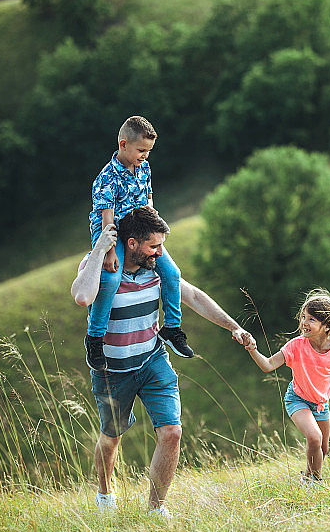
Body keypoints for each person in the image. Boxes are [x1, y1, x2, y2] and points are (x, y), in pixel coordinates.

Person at [71, 206, 255, 516]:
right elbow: (81, 295)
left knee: (172, 432)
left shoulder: (156, 269)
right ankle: (105, 496)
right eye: (154, 246)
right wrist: (100, 249)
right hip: (112, 371)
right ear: (132, 244)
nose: (160, 252)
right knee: (111, 439)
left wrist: (233, 326)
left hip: (153, 361)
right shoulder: (100, 266)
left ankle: (156, 509)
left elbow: (193, 296)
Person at [85, 115, 193, 374]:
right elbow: (107, 219)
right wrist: (109, 252)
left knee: (172, 273)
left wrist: (154, 235)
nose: (145, 155)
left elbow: (149, 203)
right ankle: (95, 338)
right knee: (111, 280)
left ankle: (172, 329)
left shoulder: (144, 167)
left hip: (141, 228)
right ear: (123, 145)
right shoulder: (107, 177)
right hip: (112, 232)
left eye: (149, 151)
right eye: (141, 150)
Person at [244, 289, 330, 483]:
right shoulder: (296, 346)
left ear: (327, 327)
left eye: (311, 320)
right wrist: (252, 349)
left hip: (321, 403)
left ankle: (306, 478)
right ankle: (314, 484)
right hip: (297, 398)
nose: (304, 323)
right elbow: (268, 365)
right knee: (314, 438)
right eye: (303, 317)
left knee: (323, 449)